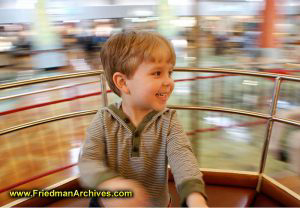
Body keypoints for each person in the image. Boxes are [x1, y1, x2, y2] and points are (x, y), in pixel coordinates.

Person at [78, 31, 207, 207]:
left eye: (170, 72)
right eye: (157, 73)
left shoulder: (168, 120)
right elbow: (88, 161)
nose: (168, 81)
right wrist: (109, 183)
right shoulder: (104, 120)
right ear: (123, 83)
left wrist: (195, 198)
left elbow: (183, 159)